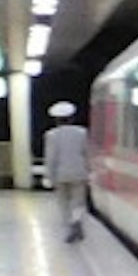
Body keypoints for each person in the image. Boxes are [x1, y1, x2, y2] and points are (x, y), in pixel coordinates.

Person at [42, 101, 91, 241]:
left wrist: (48, 176)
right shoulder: (82, 133)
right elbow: (86, 153)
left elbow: (50, 157)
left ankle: (69, 227)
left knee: (63, 203)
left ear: (56, 120)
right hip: (79, 173)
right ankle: (77, 221)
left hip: (60, 175)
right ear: (72, 118)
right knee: (78, 202)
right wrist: (89, 171)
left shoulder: (51, 135)